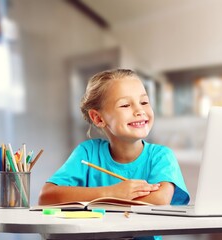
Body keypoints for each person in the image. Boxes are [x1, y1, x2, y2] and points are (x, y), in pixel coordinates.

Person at [38, 69, 190, 240]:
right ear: (98, 118)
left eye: (144, 102)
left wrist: (87, 199)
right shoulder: (87, 153)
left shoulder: (161, 156)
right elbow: (47, 196)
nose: (139, 110)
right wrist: (112, 192)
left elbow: (158, 201)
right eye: (125, 105)